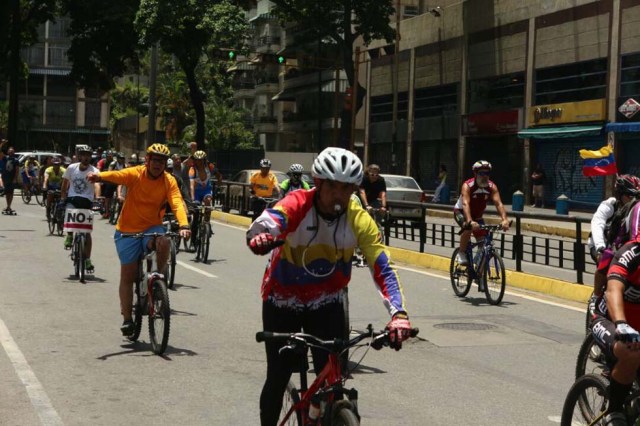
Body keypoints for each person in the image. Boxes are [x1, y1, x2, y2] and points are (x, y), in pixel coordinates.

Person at [247, 147, 412, 426]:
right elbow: (270, 221)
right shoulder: (297, 202)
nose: (339, 194)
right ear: (318, 184)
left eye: (347, 188)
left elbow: (381, 265)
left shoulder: (358, 218)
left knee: (333, 378)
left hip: (328, 300)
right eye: (333, 186)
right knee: (278, 375)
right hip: (283, 299)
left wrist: (399, 315)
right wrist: (261, 235)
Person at [86, 143, 191, 336]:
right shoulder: (136, 173)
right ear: (148, 160)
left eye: (162, 161)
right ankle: (127, 318)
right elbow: (118, 176)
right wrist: (99, 176)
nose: (158, 165)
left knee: (164, 240)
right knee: (128, 275)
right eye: (155, 160)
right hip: (127, 230)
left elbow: (176, 202)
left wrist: (184, 225)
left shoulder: (169, 181)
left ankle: (157, 279)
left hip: (152, 227)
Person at [590, 237, 640, 425]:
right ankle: (614, 411)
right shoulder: (631, 253)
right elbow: (613, 291)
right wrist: (621, 323)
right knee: (632, 351)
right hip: (610, 319)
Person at [588, 175, 640, 316]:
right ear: (620, 194)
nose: (632, 198)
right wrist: (600, 247)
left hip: (621, 245)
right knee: (605, 260)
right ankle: (596, 296)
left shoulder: (636, 208)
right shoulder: (610, 205)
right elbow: (597, 223)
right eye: (629, 195)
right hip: (602, 244)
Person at [453, 160, 510, 268]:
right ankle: (461, 252)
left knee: (485, 244)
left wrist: (504, 219)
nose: (485, 176)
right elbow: (465, 204)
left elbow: (498, 203)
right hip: (461, 212)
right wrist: (469, 220)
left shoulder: (492, 187)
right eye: (481, 173)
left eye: (487, 173)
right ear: (475, 173)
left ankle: (477, 269)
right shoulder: (467, 185)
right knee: (468, 228)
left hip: (478, 216)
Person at [61, 145, 101, 271]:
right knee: (69, 211)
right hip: (73, 199)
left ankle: (87, 259)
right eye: (83, 155)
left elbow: (97, 185)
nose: (86, 157)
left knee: (87, 232)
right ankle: (69, 235)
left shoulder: (94, 170)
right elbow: (65, 183)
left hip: (87, 201)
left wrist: (98, 199)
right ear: (79, 156)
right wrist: (63, 198)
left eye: (88, 155)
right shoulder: (72, 168)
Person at [0, 141, 20, 214]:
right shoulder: (5, 158)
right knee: (7, 193)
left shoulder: (16, 160)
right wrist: (1, 145)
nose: (11, 152)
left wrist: (15, 178)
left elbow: (17, 170)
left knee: (11, 193)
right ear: (8, 152)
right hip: (5, 178)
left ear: (14, 152)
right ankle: (8, 206)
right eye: (9, 151)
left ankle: (9, 206)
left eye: (12, 151)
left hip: (12, 178)